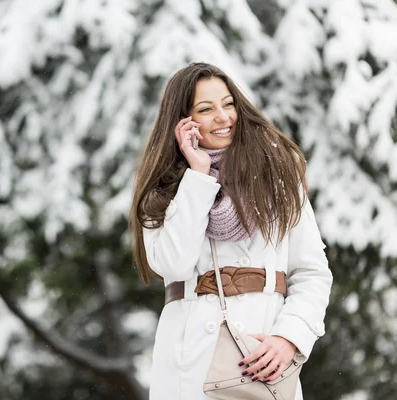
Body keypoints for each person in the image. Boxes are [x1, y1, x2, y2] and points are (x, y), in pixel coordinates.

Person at [129, 62, 333, 400]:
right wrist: (198, 175)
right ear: (183, 120)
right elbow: (173, 265)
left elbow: (312, 272)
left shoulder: (278, 177)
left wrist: (289, 338)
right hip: (188, 363)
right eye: (205, 109)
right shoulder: (162, 189)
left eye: (228, 104)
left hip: (262, 360)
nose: (223, 117)